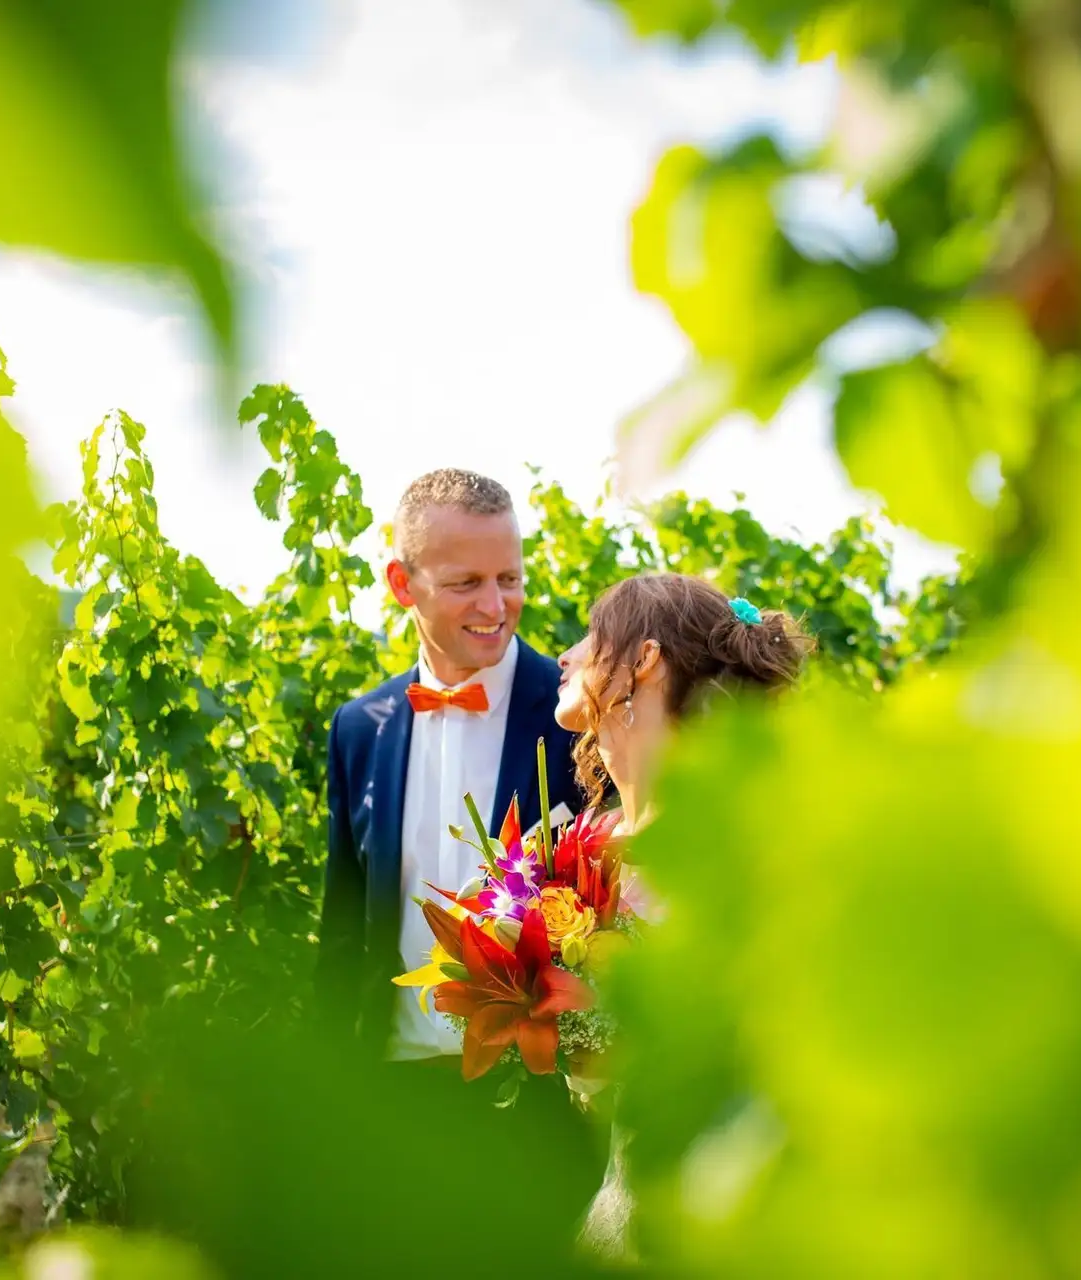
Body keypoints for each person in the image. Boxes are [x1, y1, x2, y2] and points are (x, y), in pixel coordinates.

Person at [314, 470, 594, 1221]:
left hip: (537, 1109)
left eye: (509, 578)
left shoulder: (574, 717)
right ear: (403, 583)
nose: (496, 606)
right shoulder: (357, 727)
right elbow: (342, 932)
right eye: (466, 582)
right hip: (392, 1100)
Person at [550, 571, 811, 1259]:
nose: (566, 656)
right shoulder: (586, 848)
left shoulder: (736, 841)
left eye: (591, 637)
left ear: (644, 660)